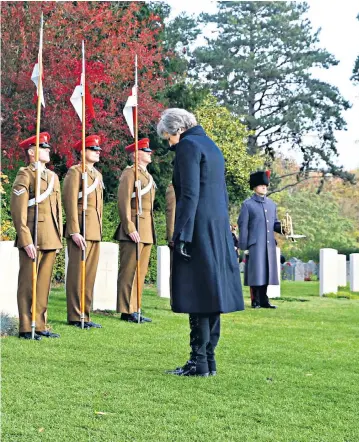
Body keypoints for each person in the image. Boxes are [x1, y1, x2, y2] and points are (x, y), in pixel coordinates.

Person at [157, 108, 244, 377]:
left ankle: (198, 361)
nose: (169, 143)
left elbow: (190, 194)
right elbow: (220, 193)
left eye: (168, 137)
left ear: (178, 130)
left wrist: (181, 233)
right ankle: (208, 361)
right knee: (210, 294)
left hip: (197, 228)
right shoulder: (212, 146)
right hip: (215, 228)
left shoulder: (188, 146)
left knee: (197, 294)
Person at [10, 132, 63, 340]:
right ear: (32, 152)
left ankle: (40, 324)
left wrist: (57, 236)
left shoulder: (53, 177)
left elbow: (57, 209)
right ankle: (25, 326)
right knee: (27, 282)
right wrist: (25, 239)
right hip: (33, 235)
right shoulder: (26, 174)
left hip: (49, 235)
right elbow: (18, 211)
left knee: (43, 284)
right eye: (43, 147)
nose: (48, 150)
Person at [63, 134, 104, 329]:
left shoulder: (97, 174)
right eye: (93, 149)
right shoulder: (75, 172)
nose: (97, 152)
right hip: (81, 229)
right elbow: (70, 202)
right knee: (77, 274)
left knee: (89, 275)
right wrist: (74, 230)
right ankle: (75, 315)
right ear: (83, 152)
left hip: (94, 229)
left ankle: (85, 315)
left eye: (97, 150)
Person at [114, 138, 155, 323]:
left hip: (146, 228)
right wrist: (129, 226)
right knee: (129, 270)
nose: (149, 153)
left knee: (140, 272)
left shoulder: (146, 175)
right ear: (136, 154)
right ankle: (126, 309)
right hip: (134, 227)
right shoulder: (130, 173)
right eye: (145, 151)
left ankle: (135, 307)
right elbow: (123, 202)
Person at [238, 170, 282, 309]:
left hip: (268, 244)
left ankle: (264, 300)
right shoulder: (247, 204)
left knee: (267, 272)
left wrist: (283, 228)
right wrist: (244, 246)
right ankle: (255, 300)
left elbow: (274, 223)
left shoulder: (271, 204)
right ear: (254, 187)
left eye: (265, 185)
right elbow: (243, 226)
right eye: (261, 185)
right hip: (255, 244)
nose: (264, 187)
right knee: (255, 273)